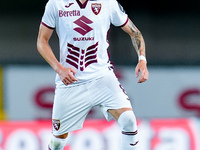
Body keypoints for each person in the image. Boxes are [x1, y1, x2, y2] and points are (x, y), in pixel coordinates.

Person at [37, 0, 149, 149]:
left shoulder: (108, 3)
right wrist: (59, 69)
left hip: (102, 78)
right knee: (58, 141)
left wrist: (142, 60)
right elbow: (41, 41)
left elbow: (135, 33)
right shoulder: (56, 4)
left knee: (128, 120)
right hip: (71, 83)